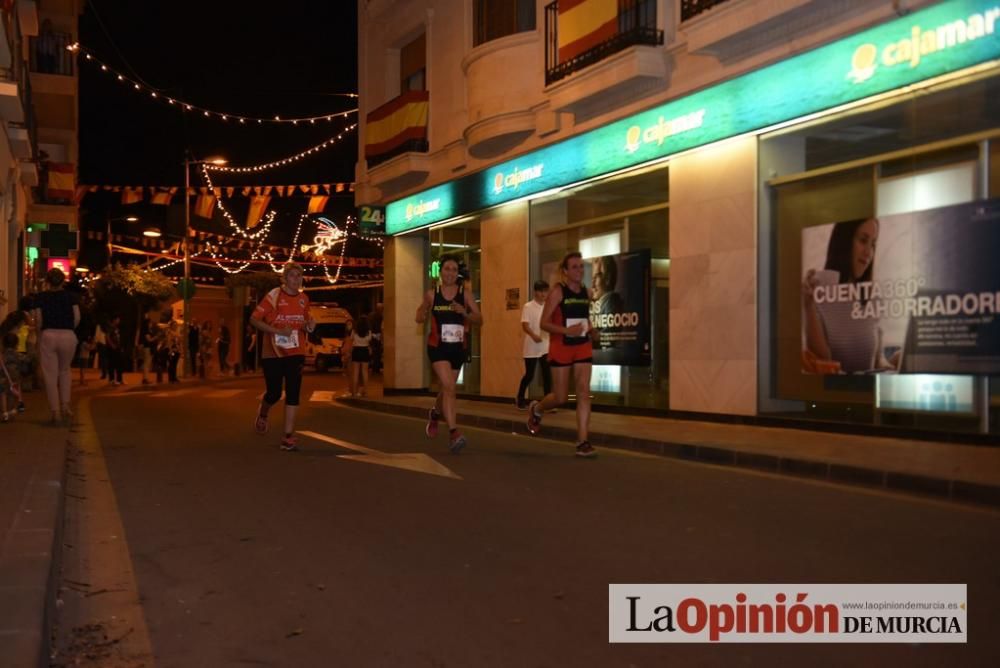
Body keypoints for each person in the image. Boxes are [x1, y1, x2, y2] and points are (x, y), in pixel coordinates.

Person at [526, 252, 598, 458]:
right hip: (562, 345)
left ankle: (583, 441)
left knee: (584, 391)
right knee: (560, 397)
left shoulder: (586, 292)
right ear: (565, 272)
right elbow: (544, 323)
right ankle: (537, 409)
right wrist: (568, 331)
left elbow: (584, 318)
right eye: (574, 267)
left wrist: (591, 330)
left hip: (582, 345)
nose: (579, 270)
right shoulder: (558, 292)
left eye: (581, 266)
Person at [802, 217, 897, 374]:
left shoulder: (873, 296)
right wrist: (808, 305)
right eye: (863, 240)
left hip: (869, 392)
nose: (868, 252)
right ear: (844, 241)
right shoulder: (817, 288)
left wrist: (891, 363)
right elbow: (822, 361)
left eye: (873, 244)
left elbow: (877, 359)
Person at [416, 254, 483, 454]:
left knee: (447, 389)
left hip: (457, 349)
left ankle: (435, 413)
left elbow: (479, 319)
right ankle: (454, 433)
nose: (450, 273)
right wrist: (422, 313)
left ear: (457, 273)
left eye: (454, 270)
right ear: (440, 271)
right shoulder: (432, 294)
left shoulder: (465, 294)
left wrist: (464, 312)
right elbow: (419, 316)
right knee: (449, 387)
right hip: (437, 347)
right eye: (447, 269)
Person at [250, 263, 316, 452]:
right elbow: (254, 319)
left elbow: (304, 323)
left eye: (299, 276)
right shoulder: (274, 296)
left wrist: (309, 326)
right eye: (293, 276)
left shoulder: (304, 299)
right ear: (285, 279)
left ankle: (288, 437)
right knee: (275, 393)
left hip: (296, 351)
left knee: (293, 392)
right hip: (273, 352)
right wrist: (277, 330)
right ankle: (263, 412)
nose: (297, 279)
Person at [31, 267, 81, 426]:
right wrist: (68, 328)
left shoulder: (41, 297)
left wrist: (39, 336)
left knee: (50, 376)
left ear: (47, 282)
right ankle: (66, 406)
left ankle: (55, 412)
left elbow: (38, 320)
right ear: (63, 281)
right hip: (68, 335)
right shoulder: (71, 297)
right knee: (65, 370)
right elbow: (77, 318)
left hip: (49, 335)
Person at [515, 280, 552, 410]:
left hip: (545, 345)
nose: (544, 294)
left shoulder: (548, 306)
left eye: (546, 291)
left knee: (547, 374)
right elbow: (525, 325)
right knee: (529, 375)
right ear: (536, 292)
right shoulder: (528, 306)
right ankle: (520, 399)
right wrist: (533, 335)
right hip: (531, 345)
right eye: (541, 291)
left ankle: (548, 403)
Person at [1, 332, 22, 422]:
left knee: (3, 393)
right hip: (15, 377)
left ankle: (4, 412)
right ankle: (12, 410)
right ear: (16, 344)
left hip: (3, 377)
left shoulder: (3, 355)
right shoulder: (17, 354)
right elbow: (22, 363)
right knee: (13, 394)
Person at [349, 316, 372, 398]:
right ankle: (366, 392)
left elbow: (351, 340)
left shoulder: (354, 331)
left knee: (356, 372)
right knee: (365, 372)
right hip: (365, 350)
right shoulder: (368, 332)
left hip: (356, 350)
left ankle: (354, 392)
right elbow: (369, 340)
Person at [368, 302, 384, 374]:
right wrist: (377, 336)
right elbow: (371, 327)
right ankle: (375, 368)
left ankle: (375, 368)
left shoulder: (374, 315)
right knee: (376, 353)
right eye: (381, 308)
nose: (381, 309)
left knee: (376, 354)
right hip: (376, 337)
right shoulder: (376, 316)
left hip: (375, 336)